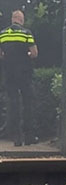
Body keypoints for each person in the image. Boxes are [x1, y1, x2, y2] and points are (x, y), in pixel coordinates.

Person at [0, 10, 38, 146]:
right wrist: (25, 54)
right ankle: (29, 136)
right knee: (28, 103)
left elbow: (1, 55)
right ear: (22, 20)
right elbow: (34, 54)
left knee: (13, 104)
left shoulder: (3, 34)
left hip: (9, 74)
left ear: (12, 19)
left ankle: (16, 137)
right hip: (25, 73)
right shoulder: (26, 33)